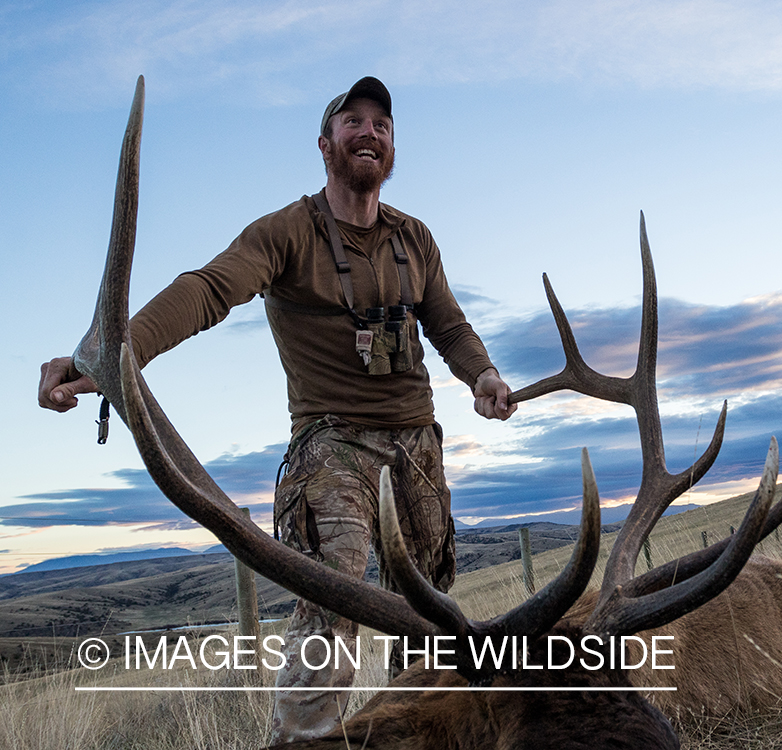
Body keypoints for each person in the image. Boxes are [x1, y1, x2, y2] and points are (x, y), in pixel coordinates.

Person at [37, 76, 517, 744]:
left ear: (393, 146)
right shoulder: (286, 233)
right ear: (325, 145)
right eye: (353, 121)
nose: (369, 132)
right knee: (335, 591)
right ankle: (303, 738)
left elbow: (448, 324)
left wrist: (482, 374)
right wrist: (111, 356)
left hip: (417, 444)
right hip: (330, 444)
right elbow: (206, 290)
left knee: (429, 605)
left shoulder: (415, 239)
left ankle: (413, 730)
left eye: (382, 124)